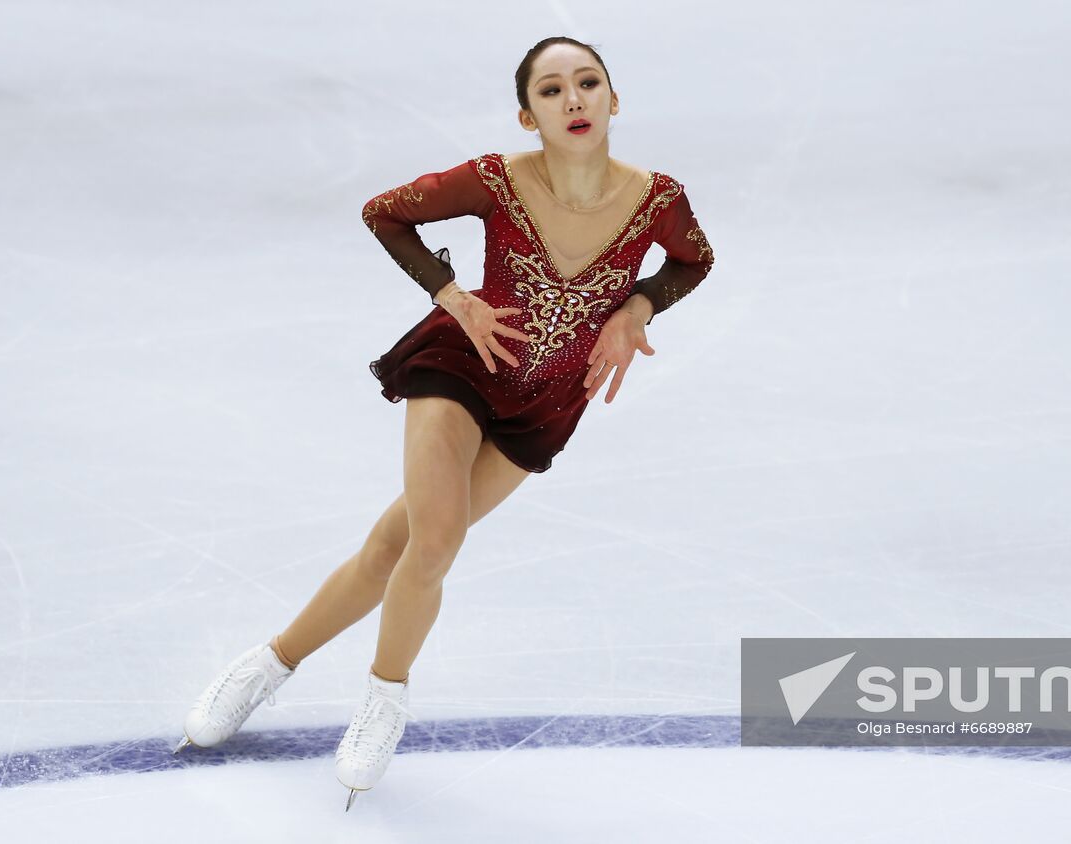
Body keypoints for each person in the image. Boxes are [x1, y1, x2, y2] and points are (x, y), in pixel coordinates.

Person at [173, 36, 716, 811]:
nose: (573, 100)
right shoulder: (496, 180)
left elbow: (694, 260)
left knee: (390, 549)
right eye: (552, 90)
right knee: (435, 540)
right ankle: (384, 698)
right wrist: (452, 295)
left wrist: (637, 305)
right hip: (460, 369)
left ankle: (270, 662)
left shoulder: (658, 199)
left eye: (588, 83)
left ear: (613, 101)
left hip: (547, 405)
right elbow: (385, 212)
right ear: (528, 116)